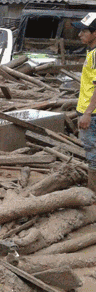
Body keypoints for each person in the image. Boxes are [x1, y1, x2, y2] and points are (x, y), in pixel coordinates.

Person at [73, 12, 96, 192]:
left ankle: (93, 193)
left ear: (94, 33)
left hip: (93, 113)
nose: (79, 35)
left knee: (93, 154)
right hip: (90, 111)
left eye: (83, 31)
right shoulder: (91, 52)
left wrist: (87, 113)